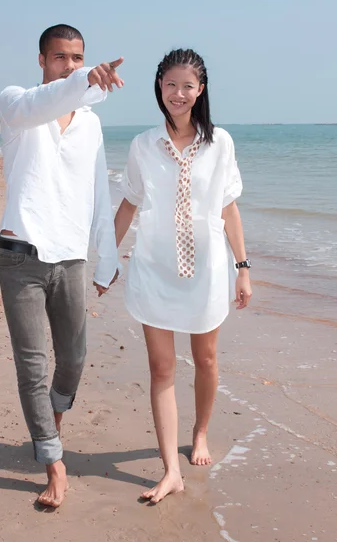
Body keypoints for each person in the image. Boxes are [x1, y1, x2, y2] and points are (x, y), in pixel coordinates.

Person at [114, 48, 252, 503]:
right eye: (170, 84)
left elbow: (228, 207)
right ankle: (170, 470)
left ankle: (201, 432)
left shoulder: (221, 143)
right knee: (161, 368)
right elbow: (130, 203)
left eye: (187, 85)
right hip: (153, 266)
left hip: (209, 270)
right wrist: (104, 260)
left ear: (201, 90)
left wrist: (243, 268)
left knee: (206, 360)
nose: (178, 93)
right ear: (159, 87)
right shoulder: (142, 145)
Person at [0, 24, 122, 508]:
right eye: (60, 57)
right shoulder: (16, 105)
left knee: (73, 359)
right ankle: (54, 463)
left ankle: (50, 424)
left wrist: (105, 259)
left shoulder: (90, 121)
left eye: (78, 58)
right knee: (33, 365)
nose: (69, 65)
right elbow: (44, 102)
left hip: (69, 258)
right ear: (42, 60)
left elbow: (98, 193)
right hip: (20, 257)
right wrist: (89, 77)